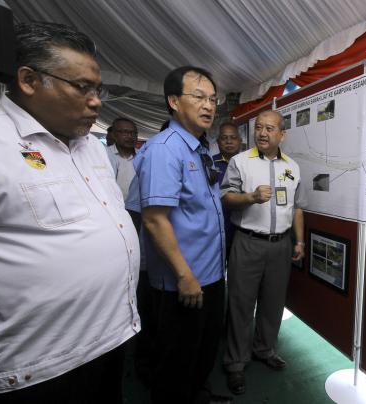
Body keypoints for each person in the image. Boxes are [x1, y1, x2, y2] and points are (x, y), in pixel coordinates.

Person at [0, 22, 140, 403]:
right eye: (82, 87)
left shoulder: (90, 146)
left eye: (98, 89)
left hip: (110, 340)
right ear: (28, 80)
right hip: (38, 368)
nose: (96, 102)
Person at [130, 65, 230, 404]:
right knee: (177, 361)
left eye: (213, 99)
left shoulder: (200, 148)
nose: (209, 105)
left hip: (210, 274)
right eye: (199, 97)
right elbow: (155, 220)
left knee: (203, 350)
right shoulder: (164, 148)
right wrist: (185, 276)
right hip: (184, 280)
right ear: (174, 101)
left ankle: (199, 395)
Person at [222, 110, 306, 395]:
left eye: (270, 129)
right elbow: (226, 198)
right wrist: (251, 197)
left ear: (282, 134)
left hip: (281, 245)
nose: (262, 133)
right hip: (248, 242)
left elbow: (297, 207)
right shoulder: (240, 161)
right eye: (259, 127)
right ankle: (236, 362)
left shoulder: (293, 167)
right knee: (241, 305)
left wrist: (299, 241)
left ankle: (265, 349)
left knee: (273, 303)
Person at [212, 122, 242, 256]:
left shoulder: (248, 163)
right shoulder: (209, 164)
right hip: (216, 228)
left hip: (242, 230)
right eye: (224, 138)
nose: (229, 141)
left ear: (240, 141)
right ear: (218, 142)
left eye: (233, 137)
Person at [107, 117, 138, 201]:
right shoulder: (104, 154)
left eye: (134, 133)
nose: (130, 136)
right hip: (111, 204)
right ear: (114, 135)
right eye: (125, 132)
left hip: (136, 207)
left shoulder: (143, 156)